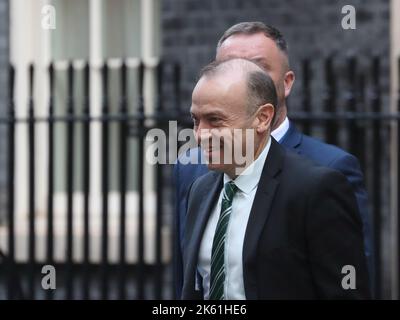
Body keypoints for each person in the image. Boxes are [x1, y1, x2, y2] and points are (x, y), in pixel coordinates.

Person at [174, 22, 372, 298]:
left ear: (262, 117)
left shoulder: (320, 183)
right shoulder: (201, 187)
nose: (200, 135)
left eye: (215, 120)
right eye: (196, 121)